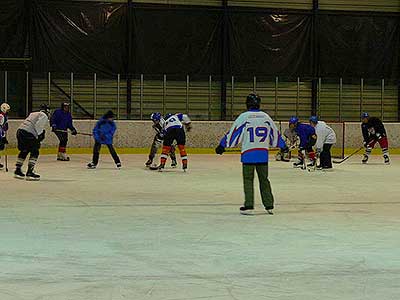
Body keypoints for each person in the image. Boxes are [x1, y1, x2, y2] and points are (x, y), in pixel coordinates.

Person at [215, 93, 288, 215]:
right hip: (262, 154)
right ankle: (269, 205)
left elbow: (233, 133)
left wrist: (222, 145)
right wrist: (283, 146)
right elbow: (275, 135)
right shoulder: (266, 117)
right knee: (264, 179)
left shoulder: (244, 117)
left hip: (248, 154)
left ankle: (249, 205)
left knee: (248, 180)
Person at [14, 104, 50, 180]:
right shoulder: (44, 115)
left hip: (20, 131)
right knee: (35, 151)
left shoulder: (33, 113)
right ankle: (30, 172)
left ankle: (17, 170)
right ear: (47, 110)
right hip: (29, 133)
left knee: (24, 150)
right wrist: (39, 136)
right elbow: (38, 126)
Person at [0, 103, 10, 169]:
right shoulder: (1, 116)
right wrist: (3, 137)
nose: (8, 111)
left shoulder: (4, 116)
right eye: (7, 110)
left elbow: (4, 127)